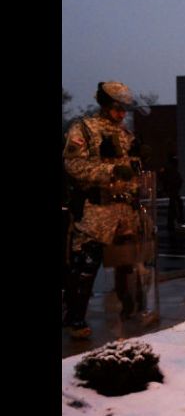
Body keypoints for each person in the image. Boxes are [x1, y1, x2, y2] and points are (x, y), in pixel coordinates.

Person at [62, 81, 144, 339]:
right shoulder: (84, 129)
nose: (121, 114)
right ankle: (76, 318)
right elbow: (74, 167)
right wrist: (109, 171)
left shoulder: (125, 134)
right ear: (105, 105)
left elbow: (131, 170)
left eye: (124, 110)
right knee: (86, 265)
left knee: (126, 264)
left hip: (123, 211)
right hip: (96, 211)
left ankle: (130, 309)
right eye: (117, 109)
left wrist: (137, 172)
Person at [159, 155, 185, 231]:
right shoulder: (169, 170)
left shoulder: (172, 170)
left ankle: (175, 220)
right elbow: (164, 178)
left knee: (175, 204)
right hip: (172, 189)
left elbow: (178, 180)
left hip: (173, 189)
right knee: (174, 205)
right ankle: (175, 220)